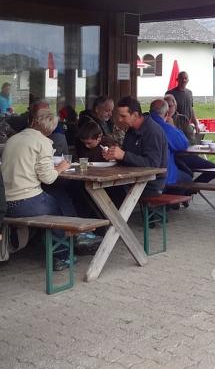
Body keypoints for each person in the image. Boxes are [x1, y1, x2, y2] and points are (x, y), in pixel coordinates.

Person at [0, 108, 89, 268]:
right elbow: (48, 178)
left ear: (32, 121)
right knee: (58, 205)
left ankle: (76, 235)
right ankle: (63, 254)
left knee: (55, 196)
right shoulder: (43, 143)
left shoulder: (13, 139)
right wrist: (62, 167)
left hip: (5, 203)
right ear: (52, 128)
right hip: (25, 203)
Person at [104, 96, 167, 195]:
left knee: (107, 191)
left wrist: (123, 155)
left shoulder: (153, 131)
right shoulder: (131, 129)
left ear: (135, 115)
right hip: (130, 180)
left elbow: (153, 164)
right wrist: (114, 155)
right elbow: (128, 158)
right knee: (85, 188)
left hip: (149, 184)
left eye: (123, 116)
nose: (119, 119)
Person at [148, 100, 193, 191]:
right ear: (166, 113)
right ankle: (173, 202)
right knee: (188, 178)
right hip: (164, 177)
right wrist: (173, 127)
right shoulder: (165, 128)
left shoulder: (144, 124)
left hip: (145, 175)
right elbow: (183, 144)